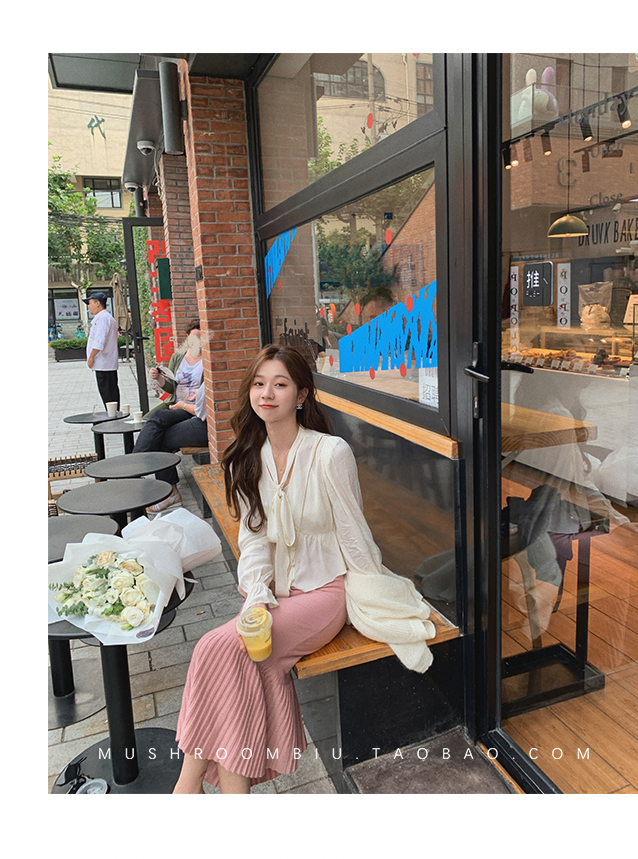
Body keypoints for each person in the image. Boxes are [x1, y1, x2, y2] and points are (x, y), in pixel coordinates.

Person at [172, 344, 435, 794]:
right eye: (259, 384)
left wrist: (376, 593)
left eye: (280, 384)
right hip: (275, 595)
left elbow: (353, 532)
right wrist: (257, 595)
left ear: (302, 395)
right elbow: (253, 538)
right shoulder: (248, 455)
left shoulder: (330, 453)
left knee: (217, 647)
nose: (266, 393)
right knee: (238, 664)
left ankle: (187, 786)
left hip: (324, 593)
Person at [132, 341, 209, 514]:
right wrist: (158, 378)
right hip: (180, 406)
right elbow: (171, 388)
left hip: (194, 413)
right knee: (156, 420)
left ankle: (135, 469)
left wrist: (185, 404)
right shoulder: (179, 357)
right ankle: (138, 470)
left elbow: (204, 409)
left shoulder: (210, 360)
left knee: (158, 430)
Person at [148, 319, 204, 414]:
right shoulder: (177, 357)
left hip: (194, 406)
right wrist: (158, 377)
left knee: (158, 418)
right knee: (146, 418)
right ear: (188, 337)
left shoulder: (208, 360)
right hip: (175, 402)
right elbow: (171, 388)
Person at [84, 292, 120, 409]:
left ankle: (113, 415)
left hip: (104, 363)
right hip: (105, 363)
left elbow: (99, 341)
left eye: (90, 303)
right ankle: (113, 414)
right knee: (109, 392)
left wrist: (91, 357)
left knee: (108, 394)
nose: (89, 306)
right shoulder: (103, 318)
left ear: (98, 303)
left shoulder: (103, 318)